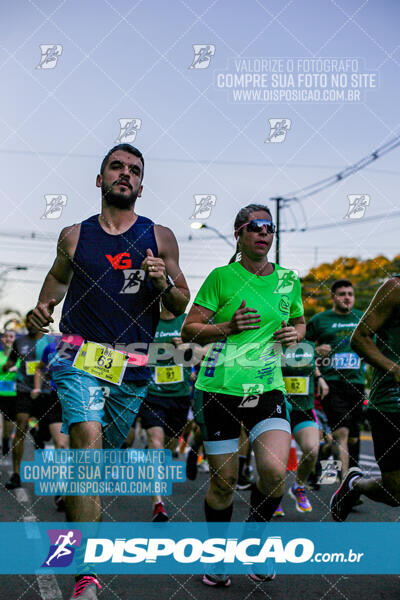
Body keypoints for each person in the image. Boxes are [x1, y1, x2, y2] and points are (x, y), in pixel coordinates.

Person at [29, 144, 190, 600]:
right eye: (117, 167)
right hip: (79, 354)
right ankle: (86, 574)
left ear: (142, 185)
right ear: (100, 180)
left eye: (135, 170)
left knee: (93, 469)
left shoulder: (159, 237)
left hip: (132, 365)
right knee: (87, 440)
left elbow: (180, 303)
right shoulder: (75, 235)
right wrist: (43, 308)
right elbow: (57, 280)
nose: (126, 174)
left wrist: (162, 282)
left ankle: (79, 532)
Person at [181, 204, 305, 587]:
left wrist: (296, 334)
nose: (264, 232)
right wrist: (227, 327)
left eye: (270, 227)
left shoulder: (288, 280)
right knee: (223, 482)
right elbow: (189, 329)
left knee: (273, 470)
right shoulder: (222, 277)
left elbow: (298, 320)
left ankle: (255, 540)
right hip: (219, 388)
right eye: (255, 227)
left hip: (268, 387)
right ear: (239, 233)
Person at [331, 275, 400, 521]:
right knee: (396, 492)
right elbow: (359, 338)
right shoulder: (394, 288)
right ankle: (355, 484)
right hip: (391, 404)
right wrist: (395, 369)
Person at [137, 303, 192, 522]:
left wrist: (187, 347)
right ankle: (158, 503)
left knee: (167, 449)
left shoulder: (187, 321)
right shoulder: (147, 320)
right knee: (156, 443)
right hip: (153, 393)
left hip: (179, 396)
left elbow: (208, 350)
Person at [306, 279, 366, 479]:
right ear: (333, 297)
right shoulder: (320, 319)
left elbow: (374, 346)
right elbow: (301, 349)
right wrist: (316, 351)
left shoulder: (362, 317)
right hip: (330, 384)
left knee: (353, 440)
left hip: (356, 383)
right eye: (342, 294)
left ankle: (325, 451)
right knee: (342, 434)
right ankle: (346, 489)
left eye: (350, 294)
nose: (347, 297)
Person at [2, 311, 56, 489]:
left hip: (45, 392)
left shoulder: (50, 341)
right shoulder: (20, 341)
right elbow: (11, 361)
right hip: (24, 390)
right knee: (21, 424)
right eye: (29, 321)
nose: (31, 324)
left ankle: (39, 434)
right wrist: (7, 365)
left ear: (42, 322)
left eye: (35, 321)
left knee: (47, 434)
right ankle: (16, 475)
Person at [276, 340, 320, 515]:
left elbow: (315, 367)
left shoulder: (309, 346)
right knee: (277, 459)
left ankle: (298, 486)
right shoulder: (271, 343)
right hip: (278, 408)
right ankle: (272, 496)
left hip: (303, 408)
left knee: (312, 450)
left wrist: (320, 378)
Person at [33, 337, 69, 510]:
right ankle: (61, 491)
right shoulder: (51, 347)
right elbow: (39, 369)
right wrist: (38, 387)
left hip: (80, 400)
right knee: (61, 445)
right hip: (56, 399)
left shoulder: (87, 346)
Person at [0, 329, 19, 457]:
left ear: (15, 339)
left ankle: (6, 440)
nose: (8, 339)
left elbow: (23, 368)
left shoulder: (19, 355)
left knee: (8, 425)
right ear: (2, 339)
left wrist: (14, 368)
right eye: (5, 336)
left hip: (13, 395)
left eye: (11, 337)